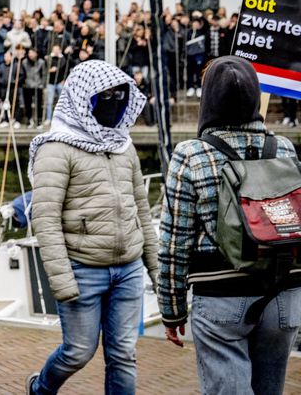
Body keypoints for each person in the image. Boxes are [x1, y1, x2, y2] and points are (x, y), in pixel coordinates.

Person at [158, 56, 300, 395]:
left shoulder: (191, 154)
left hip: (222, 295)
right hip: (284, 293)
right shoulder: (282, 146)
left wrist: (172, 309)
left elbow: (174, 243)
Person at [26, 60, 159, 395]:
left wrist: (156, 268)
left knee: (124, 355)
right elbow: (45, 218)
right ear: (85, 97)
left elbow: (140, 209)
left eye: (120, 94)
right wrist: (62, 280)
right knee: (78, 352)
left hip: (127, 269)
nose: (114, 100)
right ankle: (40, 389)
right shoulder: (56, 149)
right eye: (107, 94)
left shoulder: (123, 145)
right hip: (82, 269)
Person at [21, 48, 47, 128]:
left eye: (32, 53)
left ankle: (39, 120)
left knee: (39, 104)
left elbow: (44, 74)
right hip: (27, 86)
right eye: (29, 53)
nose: (31, 55)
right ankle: (29, 119)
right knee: (27, 104)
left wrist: (42, 84)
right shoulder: (24, 62)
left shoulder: (41, 62)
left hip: (38, 86)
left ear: (36, 54)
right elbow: (23, 73)